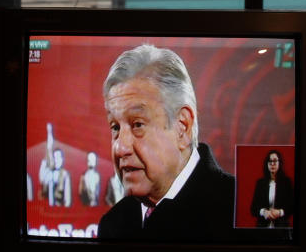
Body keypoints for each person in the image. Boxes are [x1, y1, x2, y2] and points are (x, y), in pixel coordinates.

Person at [97, 44, 235, 240]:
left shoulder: (241, 211)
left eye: (137, 124)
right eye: (115, 127)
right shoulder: (113, 225)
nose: (120, 148)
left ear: (182, 126)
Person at [250, 149, 293, 228]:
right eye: (270, 161)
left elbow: (292, 206)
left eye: (275, 161)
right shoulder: (260, 183)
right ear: (267, 164)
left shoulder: (287, 182)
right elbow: (253, 209)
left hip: (281, 227)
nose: (272, 164)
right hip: (262, 226)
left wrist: (280, 212)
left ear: (279, 163)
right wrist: (264, 212)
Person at [38, 123, 72, 207]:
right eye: (55, 157)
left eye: (59, 158)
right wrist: (49, 133)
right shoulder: (48, 174)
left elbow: (67, 200)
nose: (57, 160)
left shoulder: (64, 175)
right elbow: (49, 149)